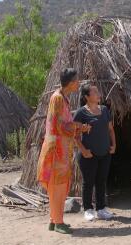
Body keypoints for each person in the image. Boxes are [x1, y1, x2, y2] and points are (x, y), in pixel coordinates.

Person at [37, 68, 91, 234]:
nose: (79, 83)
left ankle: (54, 220)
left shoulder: (63, 98)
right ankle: (58, 222)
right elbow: (60, 126)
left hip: (61, 150)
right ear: (71, 82)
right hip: (56, 152)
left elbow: (64, 125)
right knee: (57, 186)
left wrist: (78, 128)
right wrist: (79, 126)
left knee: (59, 186)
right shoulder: (58, 98)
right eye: (77, 80)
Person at [74, 83, 116, 221]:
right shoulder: (81, 113)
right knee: (88, 182)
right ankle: (87, 209)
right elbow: (75, 134)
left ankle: (101, 209)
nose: (99, 94)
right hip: (89, 154)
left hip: (104, 153)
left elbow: (110, 129)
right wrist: (83, 150)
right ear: (87, 97)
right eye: (95, 92)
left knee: (101, 181)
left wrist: (114, 145)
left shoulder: (104, 110)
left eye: (98, 91)